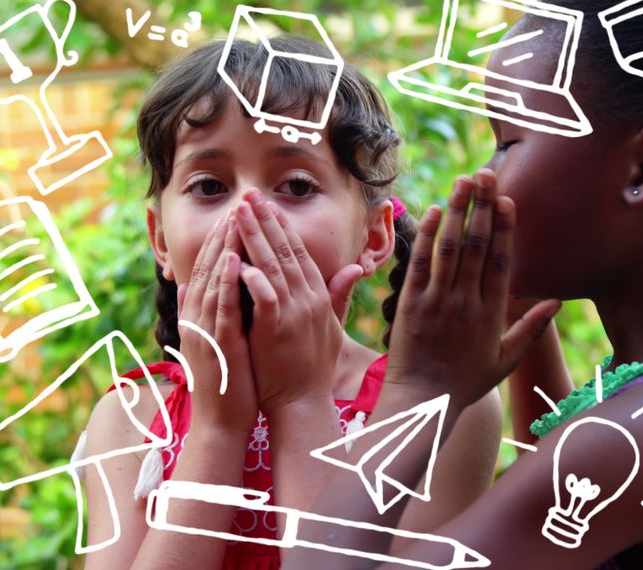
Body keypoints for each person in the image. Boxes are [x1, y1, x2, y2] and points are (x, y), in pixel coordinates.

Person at [283, 0, 643, 567]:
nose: (483, 176)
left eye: (508, 140)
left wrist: (418, 390)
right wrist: (525, 322)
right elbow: (560, 477)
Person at [78, 35, 555, 570]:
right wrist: (217, 427)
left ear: (374, 238)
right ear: (161, 240)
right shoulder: (133, 420)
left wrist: (300, 401)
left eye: (298, 186)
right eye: (210, 185)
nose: (248, 211)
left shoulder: (435, 409)